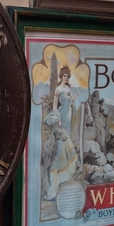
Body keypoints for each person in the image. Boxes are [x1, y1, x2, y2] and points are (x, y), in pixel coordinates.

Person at [41, 66, 79, 201]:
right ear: (61, 76)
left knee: (66, 142)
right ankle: (55, 180)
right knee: (61, 146)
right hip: (61, 116)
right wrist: (58, 119)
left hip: (68, 116)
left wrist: (74, 99)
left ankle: (65, 176)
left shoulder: (68, 89)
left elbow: (69, 103)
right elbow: (55, 106)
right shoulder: (58, 89)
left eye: (68, 77)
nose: (66, 78)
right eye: (64, 76)